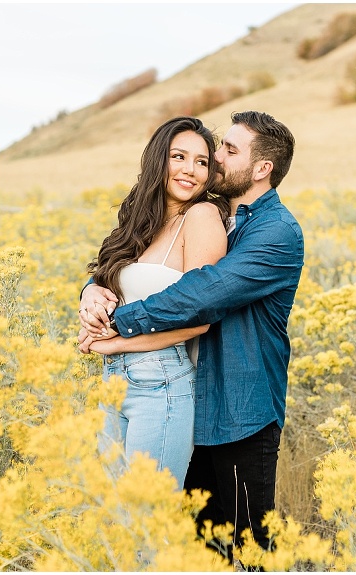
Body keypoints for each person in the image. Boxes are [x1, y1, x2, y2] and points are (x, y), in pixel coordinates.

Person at [80, 111, 303, 559]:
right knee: (198, 550)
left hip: (242, 412)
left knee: (249, 551)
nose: (214, 161)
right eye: (202, 154)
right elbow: (125, 270)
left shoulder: (277, 232)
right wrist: (91, 293)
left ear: (263, 169)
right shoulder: (222, 218)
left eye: (226, 151)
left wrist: (118, 326)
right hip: (193, 402)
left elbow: (201, 295)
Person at [78, 116, 229, 491]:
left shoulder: (201, 216)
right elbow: (116, 280)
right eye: (179, 156)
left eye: (202, 162)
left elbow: (199, 317)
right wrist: (90, 291)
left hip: (161, 384)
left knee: (145, 523)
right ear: (158, 159)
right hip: (113, 381)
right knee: (114, 516)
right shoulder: (140, 221)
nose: (190, 170)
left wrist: (114, 342)